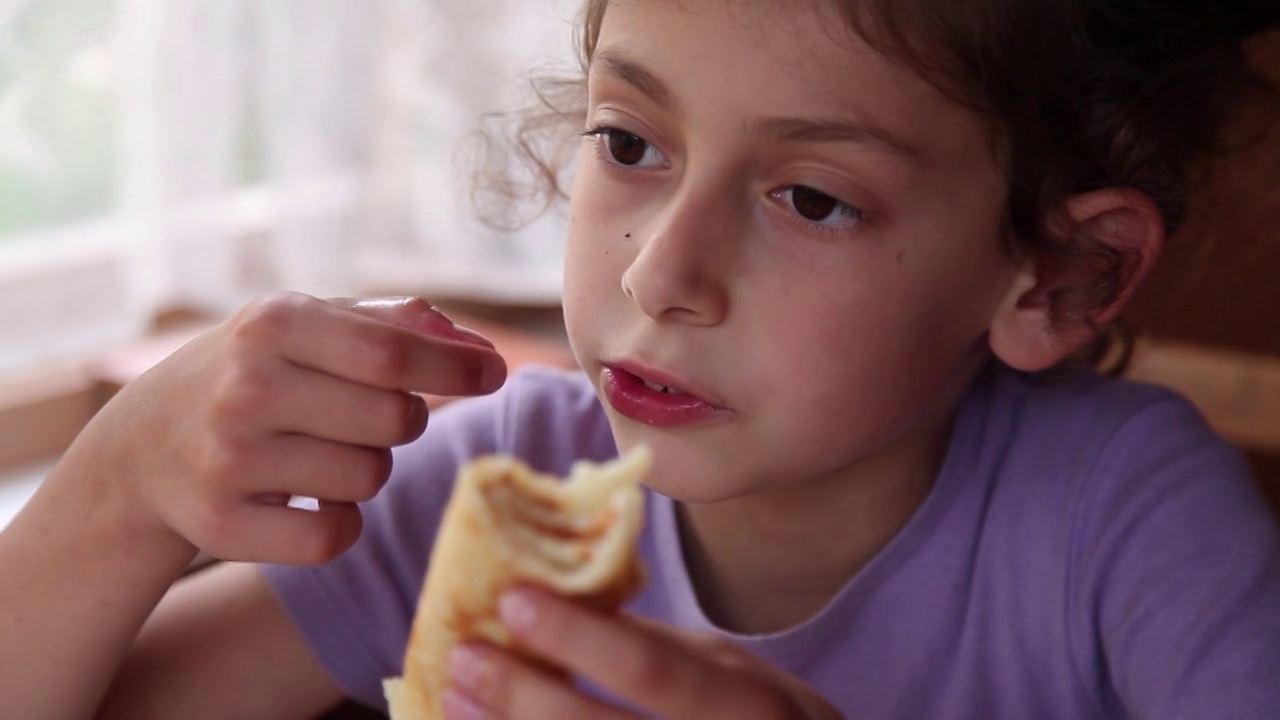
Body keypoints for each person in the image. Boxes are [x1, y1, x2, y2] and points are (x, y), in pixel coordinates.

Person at [3, 1, 1279, 718]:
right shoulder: (490, 494)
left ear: (1056, 278)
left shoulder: (1129, 526)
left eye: (811, 200)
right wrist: (111, 497)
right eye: (629, 144)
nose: (656, 272)